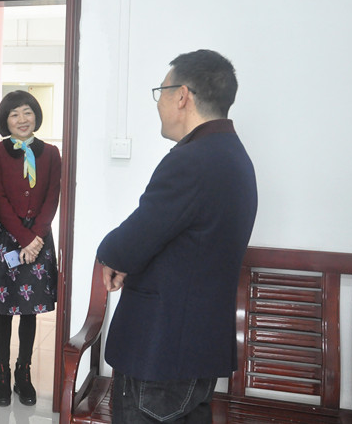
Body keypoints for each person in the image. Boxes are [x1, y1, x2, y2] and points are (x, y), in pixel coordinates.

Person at [97, 49, 258, 423]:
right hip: (195, 349)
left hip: (161, 351)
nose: (159, 103)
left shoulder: (191, 161)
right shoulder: (234, 156)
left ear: (182, 96)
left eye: (161, 92)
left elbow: (128, 244)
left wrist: (110, 254)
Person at [0, 91, 61, 407]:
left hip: (39, 237)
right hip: (6, 237)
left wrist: (36, 237)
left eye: (27, 112)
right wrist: (25, 239)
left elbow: (52, 197)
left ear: (36, 115)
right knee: (4, 310)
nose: (22, 119)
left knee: (29, 309)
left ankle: (24, 371)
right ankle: (2, 371)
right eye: (14, 114)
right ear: (5, 120)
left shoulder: (51, 153)